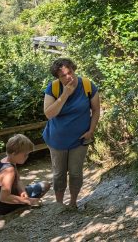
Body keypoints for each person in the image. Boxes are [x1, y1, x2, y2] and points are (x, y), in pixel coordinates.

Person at [43, 58, 100, 208]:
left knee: (75, 173)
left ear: (74, 70)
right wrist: (65, 95)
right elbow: (49, 114)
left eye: (70, 72)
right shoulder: (53, 88)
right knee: (59, 174)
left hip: (80, 140)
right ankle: (59, 205)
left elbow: (96, 109)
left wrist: (91, 131)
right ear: (57, 77)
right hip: (57, 140)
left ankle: (73, 203)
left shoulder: (87, 85)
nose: (69, 77)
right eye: (63, 75)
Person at [0, 134, 51, 215]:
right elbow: (4, 198)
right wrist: (29, 201)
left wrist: (22, 191)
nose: (27, 157)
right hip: (2, 207)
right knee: (45, 185)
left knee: (36, 187)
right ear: (14, 153)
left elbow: (18, 180)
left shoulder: (6, 160)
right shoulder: (9, 171)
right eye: (25, 154)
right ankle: (23, 207)